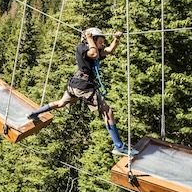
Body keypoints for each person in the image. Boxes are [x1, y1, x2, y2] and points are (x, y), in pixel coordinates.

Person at [27, 27, 138, 156]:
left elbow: (109, 50)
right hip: (83, 86)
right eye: (100, 42)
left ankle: (35, 113)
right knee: (107, 111)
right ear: (91, 40)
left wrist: (116, 39)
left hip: (76, 84)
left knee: (61, 103)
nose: (102, 45)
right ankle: (119, 146)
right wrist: (89, 38)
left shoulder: (94, 48)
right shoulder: (82, 48)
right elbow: (94, 54)